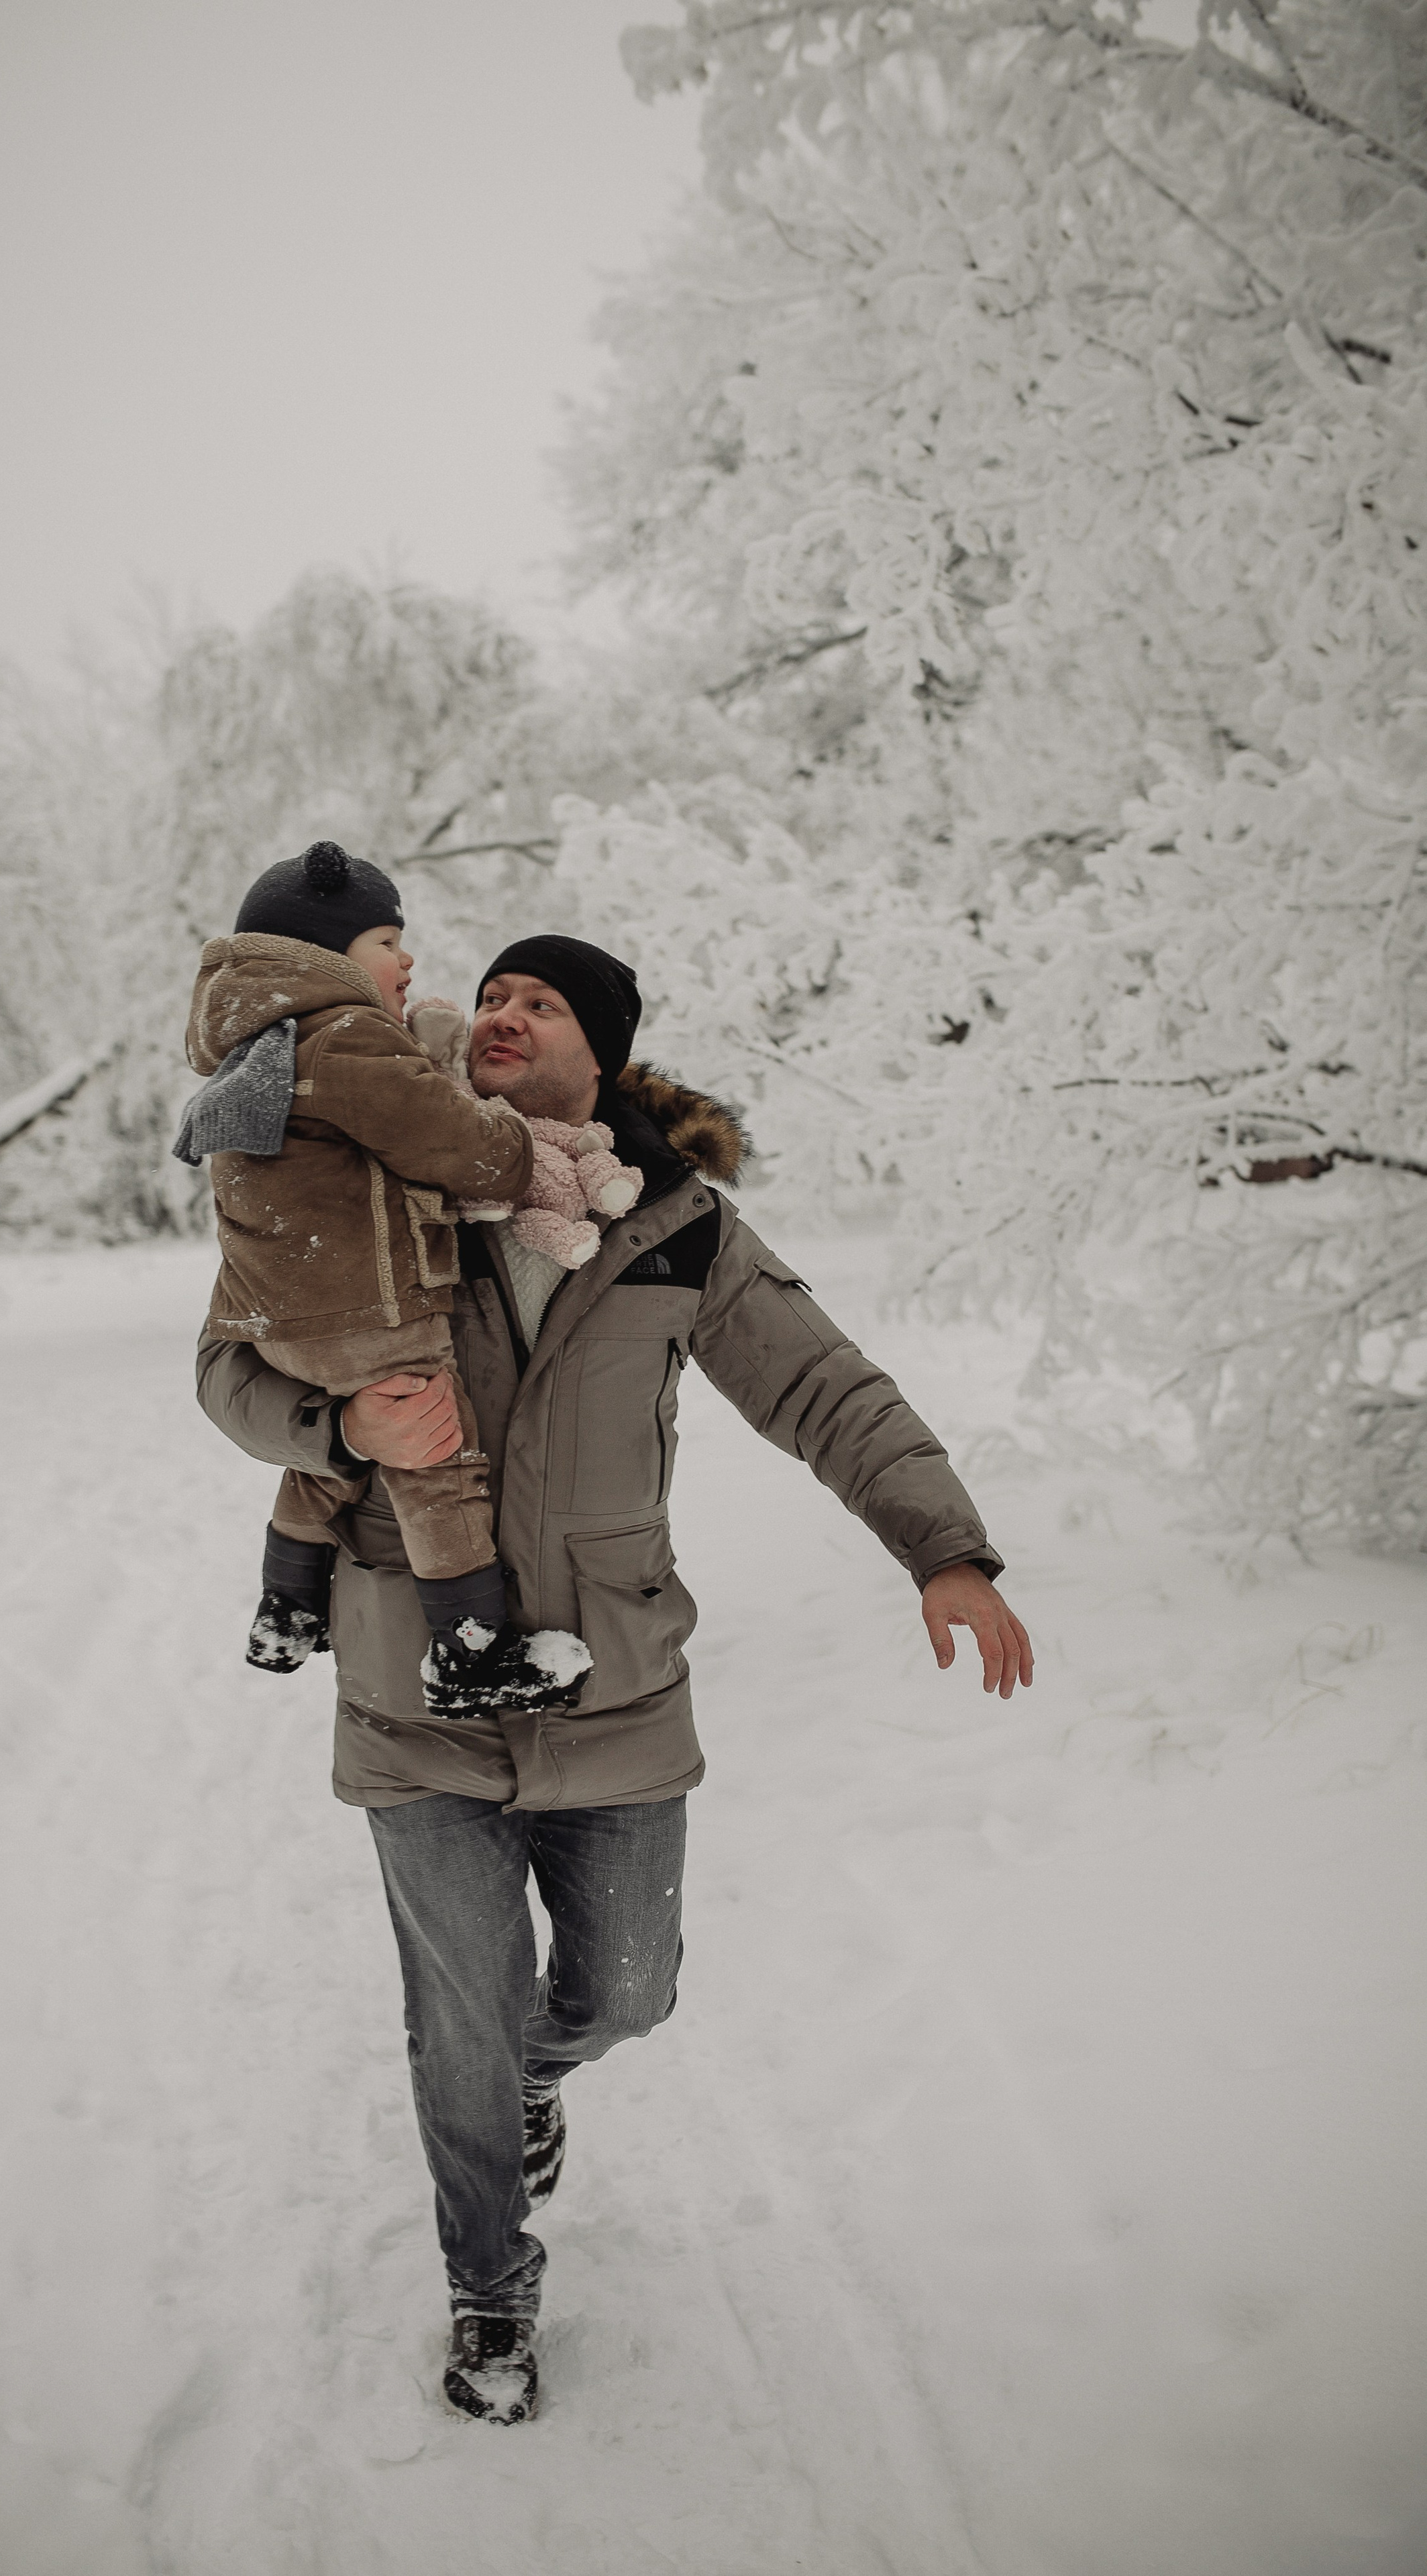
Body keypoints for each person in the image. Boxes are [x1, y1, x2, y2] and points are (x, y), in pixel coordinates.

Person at [195, 931, 1034, 2426]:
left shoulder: (675, 1225)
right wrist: (338, 1439)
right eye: (492, 994)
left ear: (602, 1051)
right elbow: (229, 1368)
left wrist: (941, 1548)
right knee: (459, 2014)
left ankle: (537, 2075)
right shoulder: (377, 1181)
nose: (502, 1012)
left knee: (625, 1991)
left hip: (616, 1684)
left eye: (541, 1002)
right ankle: (490, 2292)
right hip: (416, 1683)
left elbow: (821, 1385)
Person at [182, 841, 591, 1718]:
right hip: (363, 1302)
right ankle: (471, 1652)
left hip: (278, 1312)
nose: (406, 960)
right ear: (326, 956)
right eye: (386, 940)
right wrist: (516, 1145)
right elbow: (450, 1141)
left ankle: (286, 1606)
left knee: (344, 1458)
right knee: (435, 1458)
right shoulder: (347, 1037)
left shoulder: (256, 1045)